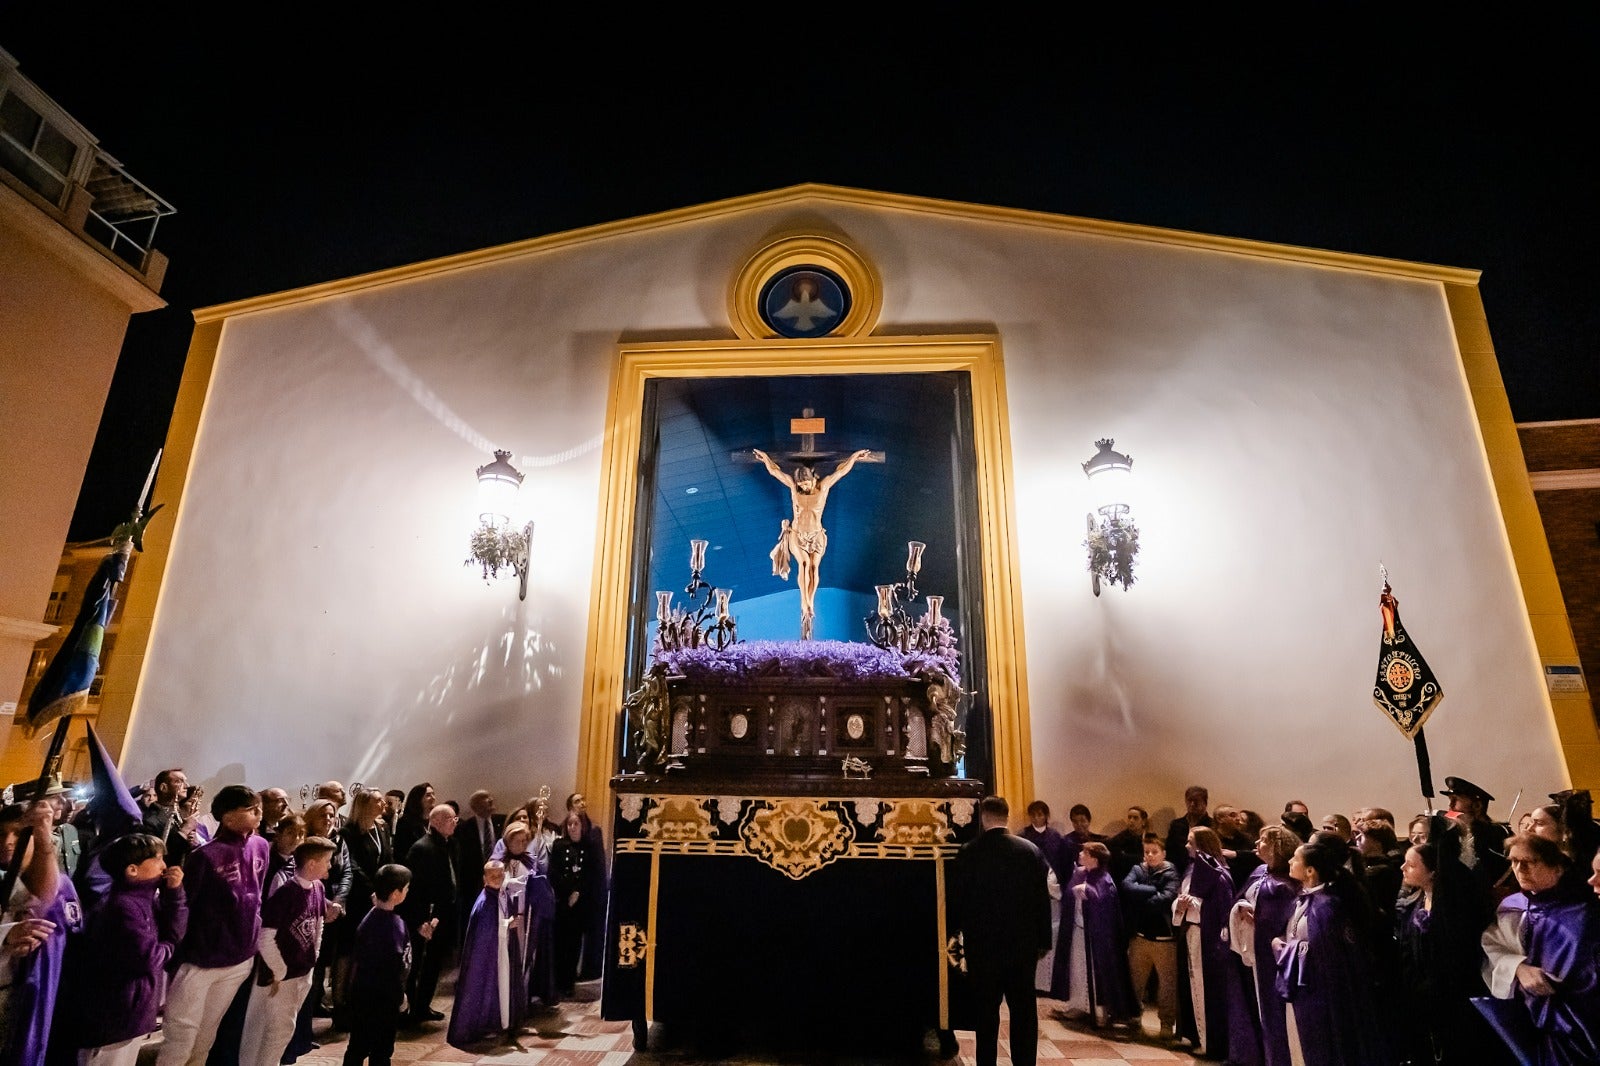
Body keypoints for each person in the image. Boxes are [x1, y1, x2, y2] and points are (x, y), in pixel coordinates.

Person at [156, 784, 270, 1066]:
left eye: (259, 808)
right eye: (251, 809)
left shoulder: (261, 846)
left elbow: (258, 895)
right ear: (228, 817)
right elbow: (186, 906)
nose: (259, 813)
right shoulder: (205, 856)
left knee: (208, 1032)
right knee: (182, 1033)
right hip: (201, 958)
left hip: (239, 956)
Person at [58, 832, 187, 1066]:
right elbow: (149, 957)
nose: (164, 865)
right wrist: (170, 945)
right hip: (114, 1016)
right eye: (157, 859)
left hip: (128, 1014)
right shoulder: (122, 907)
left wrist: (174, 894)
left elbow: (173, 927)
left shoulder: (142, 899)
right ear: (132, 870)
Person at [1480, 833, 1600, 1063]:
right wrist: (1519, 969)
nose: (1519, 869)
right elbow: (1492, 947)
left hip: (1571, 1025)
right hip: (1522, 1018)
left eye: (1529, 861)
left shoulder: (1582, 912)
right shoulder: (1512, 906)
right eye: (1514, 861)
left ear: (1557, 867)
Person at [952, 797, 1052, 1066]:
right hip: (1022, 945)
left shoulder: (969, 851)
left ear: (983, 816)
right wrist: (1043, 941)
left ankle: (986, 1063)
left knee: (985, 1011)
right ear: (1007, 816)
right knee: (1023, 1011)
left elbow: (959, 900)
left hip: (983, 946)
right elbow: (1042, 899)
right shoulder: (1030, 851)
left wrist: (959, 934)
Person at [1271, 838, 1388, 1066]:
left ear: (1310, 871)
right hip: (1300, 985)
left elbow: (1330, 955)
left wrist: (1288, 948)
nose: (1290, 861)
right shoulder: (1302, 900)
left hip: (1320, 993)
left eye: (1295, 858)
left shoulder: (1328, 908)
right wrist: (1281, 943)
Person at [751, 446, 873, 639]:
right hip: (798, 534)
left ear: (813, 479)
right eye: (801, 483)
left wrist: (855, 457)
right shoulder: (794, 489)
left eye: (806, 482)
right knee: (804, 564)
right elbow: (776, 472)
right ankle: (804, 602)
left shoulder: (823, 488)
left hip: (816, 535)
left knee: (814, 567)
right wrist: (765, 457)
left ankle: (811, 602)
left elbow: (840, 471)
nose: (804, 486)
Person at [1394, 834, 1493, 1066]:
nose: (1402, 867)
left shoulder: (1451, 913)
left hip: (1451, 995)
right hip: (1422, 995)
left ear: (1432, 871)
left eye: (1411, 864)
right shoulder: (1415, 903)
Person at [239, 837, 333, 1066]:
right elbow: (266, 936)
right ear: (311, 864)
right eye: (327, 861)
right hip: (281, 976)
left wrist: (314, 955)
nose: (330, 866)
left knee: (284, 1028)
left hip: (303, 971)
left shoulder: (318, 888)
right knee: (273, 1029)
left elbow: (318, 924)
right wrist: (280, 969)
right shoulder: (286, 894)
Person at [0, 800, 67, 1066]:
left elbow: (43, 895)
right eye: (2, 833)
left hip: (25, 999)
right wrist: (6, 935)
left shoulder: (55, 881)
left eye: (18, 833)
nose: (8, 842)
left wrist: (42, 838)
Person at [1228, 824, 1300, 1066]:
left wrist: (1257, 918)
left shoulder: (1285, 883)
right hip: (1250, 949)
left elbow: (1281, 920)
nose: (1257, 845)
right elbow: (1241, 897)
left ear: (1278, 847)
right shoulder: (1259, 871)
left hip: (1270, 956)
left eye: (1263, 841)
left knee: (1272, 1010)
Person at [1050, 840, 1136, 1027]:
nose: (1080, 855)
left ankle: (1101, 1009)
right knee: (1077, 968)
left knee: (1099, 973)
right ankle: (1078, 1004)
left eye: (1084, 853)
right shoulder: (1080, 873)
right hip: (1078, 931)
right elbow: (1069, 898)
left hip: (1096, 937)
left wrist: (1088, 891)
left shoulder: (1104, 878)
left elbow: (1104, 902)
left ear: (1094, 859)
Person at [448, 861, 527, 1048]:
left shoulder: (501, 894)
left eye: (500, 875)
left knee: (503, 984)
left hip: (502, 950)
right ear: (485, 879)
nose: (498, 879)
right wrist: (508, 924)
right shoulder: (484, 902)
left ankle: (502, 1022)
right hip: (491, 954)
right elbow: (486, 933)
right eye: (493, 876)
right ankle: (487, 1023)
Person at [344, 864, 414, 1066]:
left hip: (374, 995)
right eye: (406, 888)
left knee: (369, 1046)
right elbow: (390, 969)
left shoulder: (383, 918)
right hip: (377, 998)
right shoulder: (386, 927)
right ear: (395, 894)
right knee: (372, 1048)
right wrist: (400, 996)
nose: (407, 892)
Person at [1171, 825, 1231, 1059]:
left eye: (1190, 842)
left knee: (1204, 988)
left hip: (1205, 936)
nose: (1186, 846)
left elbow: (1221, 909)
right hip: (1190, 933)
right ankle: (1194, 1034)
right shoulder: (1190, 871)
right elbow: (1180, 900)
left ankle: (1210, 1042)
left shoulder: (1219, 874)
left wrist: (1194, 905)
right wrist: (1181, 905)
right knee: (1191, 985)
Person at [401, 804, 457, 1024]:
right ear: (435, 822)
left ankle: (423, 1005)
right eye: (450, 818)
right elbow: (415, 890)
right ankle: (410, 1010)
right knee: (417, 966)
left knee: (433, 964)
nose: (454, 822)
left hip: (441, 914)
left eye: (455, 818)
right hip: (424, 917)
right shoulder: (422, 848)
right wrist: (421, 921)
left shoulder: (448, 844)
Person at [1121, 832, 1180, 1042]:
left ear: (1163, 853)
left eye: (1154, 852)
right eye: (1147, 852)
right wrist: (1153, 889)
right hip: (1140, 935)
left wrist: (1141, 897)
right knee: (1136, 980)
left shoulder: (1170, 872)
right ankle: (1134, 1015)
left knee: (1167, 985)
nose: (1150, 856)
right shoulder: (1139, 869)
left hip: (1164, 938)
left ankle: (1166, 1022)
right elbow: (1127, 886)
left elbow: (1166, 899)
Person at [564, 792, 607, 980]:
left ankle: (591, 968)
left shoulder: (594, 830)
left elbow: (597, 863)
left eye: (583, 800)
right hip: (571, 889)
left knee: (592, 932)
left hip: (591, 888)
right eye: (576, 801)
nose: (581, 803)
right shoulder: (566, 830)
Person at [550, 811, 594, 996]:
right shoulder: (559, 845)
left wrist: (578, 891)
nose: (573, 827)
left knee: (574, 943)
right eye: (570, 824)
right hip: (562, 901)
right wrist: (568, 891)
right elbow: (554, 872)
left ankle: (569, 982)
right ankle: (557, 982)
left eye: (576, 824)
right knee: (559, 942)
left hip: (580, 904)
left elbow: (590, 874)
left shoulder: (589, 846)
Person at [454, 790, 503, 930]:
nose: (491, 800)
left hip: (497, 880)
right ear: (475, 806)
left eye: (490, 796)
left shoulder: (500, 822)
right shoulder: (464, 828)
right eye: (485, 799)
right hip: (472, 883)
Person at [1165, 785, 1211, 873]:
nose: (1192, 804)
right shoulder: (1176, 824)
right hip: (1177, 871)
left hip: (1202, 872)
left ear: (1205, 803)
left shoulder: (1212, 826)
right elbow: (1169, 851)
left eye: (1196, 801)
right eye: (1190, 800)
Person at [1020, 800, 1065, 882]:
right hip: (1031, 878)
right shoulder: (1023, 836)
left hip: (1053, 879)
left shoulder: (1055, 835)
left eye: (1039, 815)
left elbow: (1061, 860)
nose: (1036, 818)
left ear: (1046, 815)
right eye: (1033, 815)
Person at [1105, 806, 1148, 884]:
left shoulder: (1150, 838)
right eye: (1129, 817)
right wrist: (1142, 859)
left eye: (1135, 818)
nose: (1131, 821)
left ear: (1143, 821)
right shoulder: (1118, 840)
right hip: (1125, 879)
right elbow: (1118, 862)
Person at [392, 784, 434, 860]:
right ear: (418, 799)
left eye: (433, 794)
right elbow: (400, 852)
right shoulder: (405, 822)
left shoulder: (434, 820)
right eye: (428, 795)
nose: (433, 798)